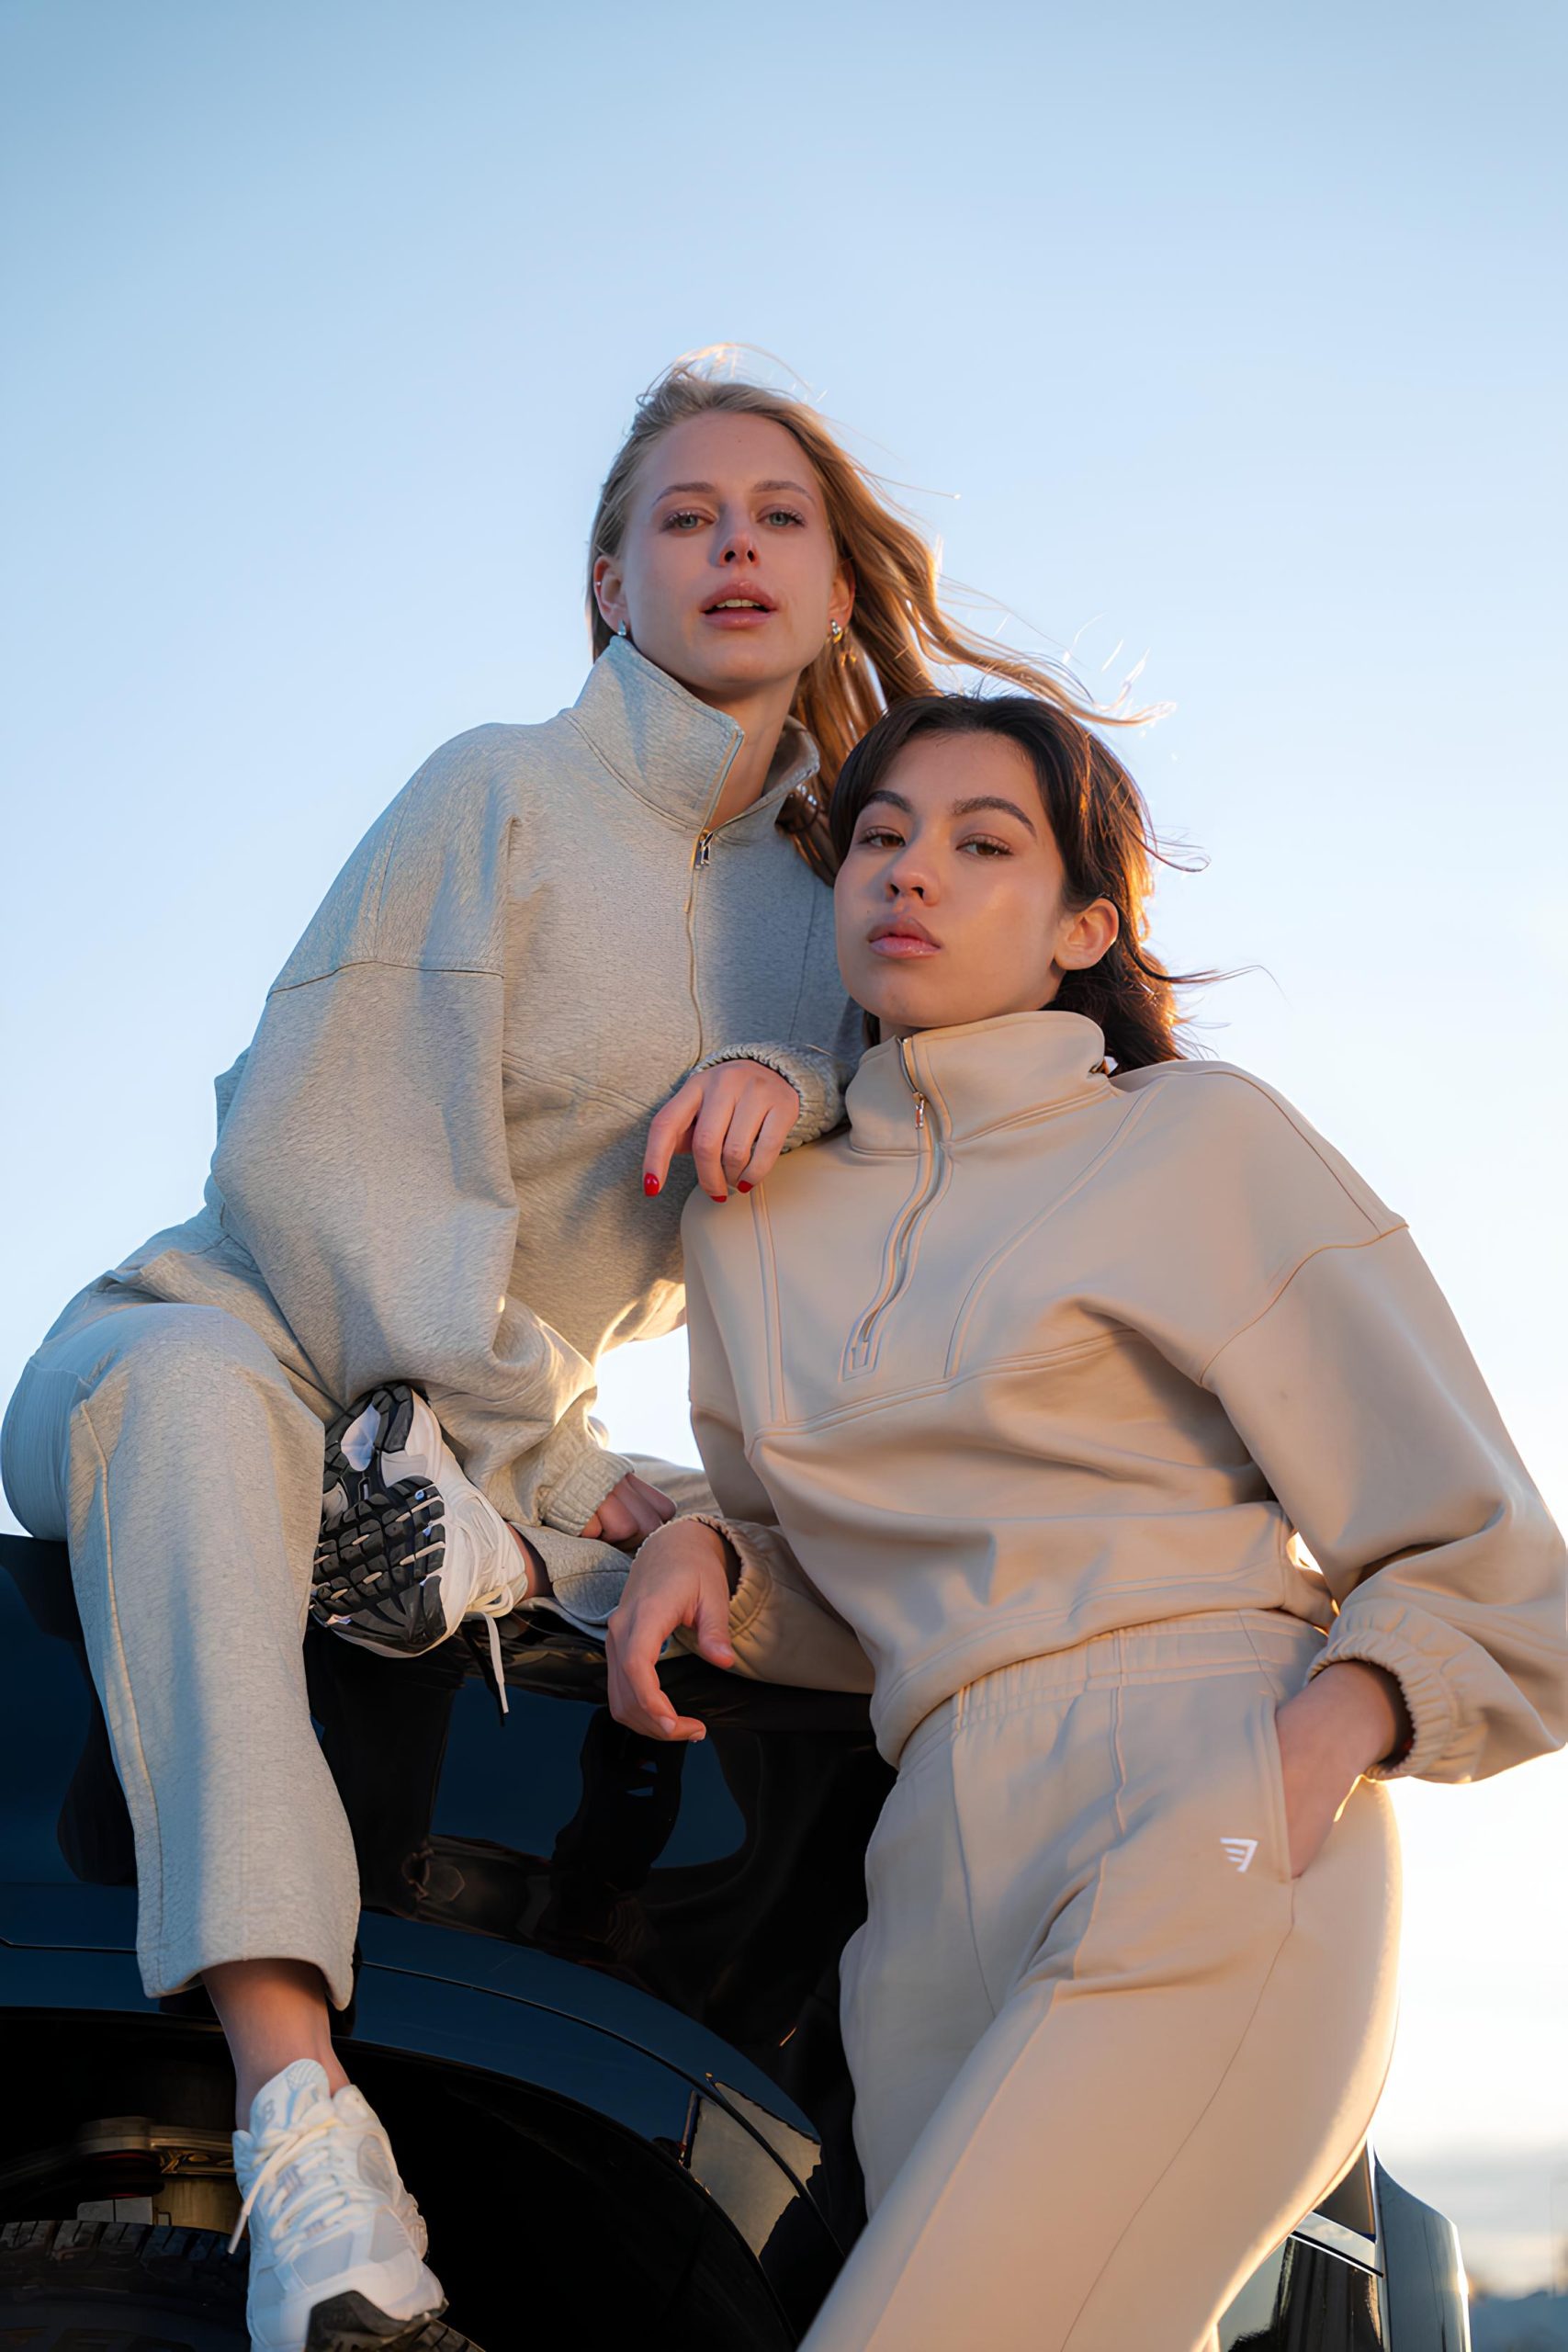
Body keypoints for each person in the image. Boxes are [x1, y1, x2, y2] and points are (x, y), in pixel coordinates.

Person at [0, 359, 1114, 2352]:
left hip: (491, 1448)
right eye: (684, 518)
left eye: (775, 516)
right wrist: (531, 1454)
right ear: (611, 583)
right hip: (232, 1335)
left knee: (732, 1562)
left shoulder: (844, 911)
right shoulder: (491, 790)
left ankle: (482, 1541)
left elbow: (917, 1179)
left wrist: (797, 1074)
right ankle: (304, 2132)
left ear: (835, 584)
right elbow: (316, 1167)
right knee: (191, 1410)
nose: (733, 548)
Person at [604, 689, 1568, 2352]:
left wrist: (1306, 1754)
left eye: (986, 845)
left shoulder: (1197, 1140)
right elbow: (834, 1596)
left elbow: (1487, 1557)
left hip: (1208, 1780)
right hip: (925, 1878)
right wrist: (710, 1553)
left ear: (1082, 930)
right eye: (882, 836)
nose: (912, 872)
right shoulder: (754, 1223)